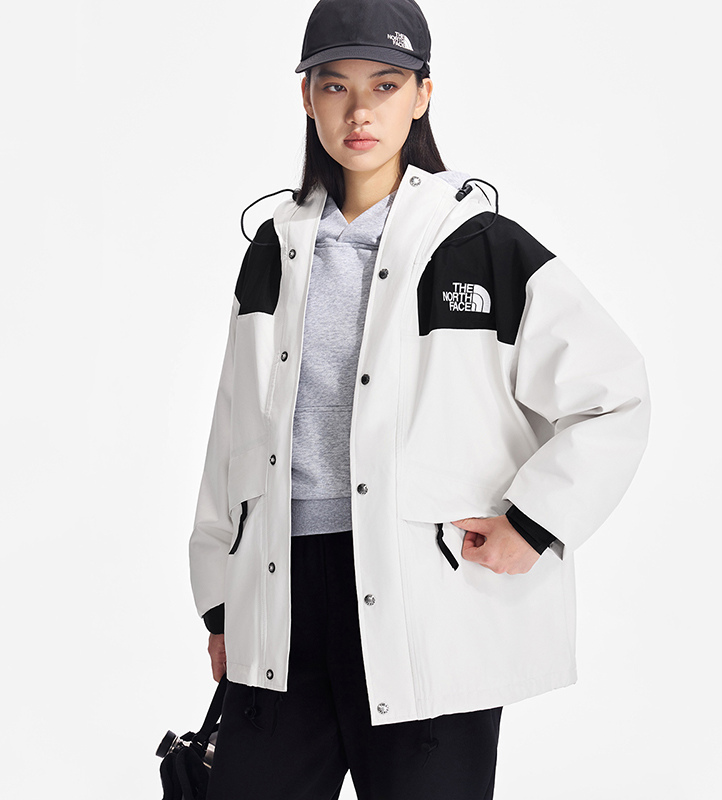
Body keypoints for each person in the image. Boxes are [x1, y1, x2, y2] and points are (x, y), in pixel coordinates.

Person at [187, 0, 651, 797]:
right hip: (280, 596)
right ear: (307, 98)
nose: (359, 111)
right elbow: (233, 432)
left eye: (385, 84)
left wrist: (534, 523)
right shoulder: (274, 249)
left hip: (424, 607)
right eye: (335, 85)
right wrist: (222, 607)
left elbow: (615, 394)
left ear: (422, 95)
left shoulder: (483, 249)